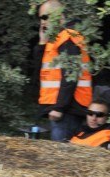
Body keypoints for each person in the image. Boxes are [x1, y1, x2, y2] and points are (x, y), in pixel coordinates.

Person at [34, 0, 92, 142]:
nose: (43, 22)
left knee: (61, 154)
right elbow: (39, 71)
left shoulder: (67, 37)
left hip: (68, 109)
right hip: (63, 108)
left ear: (59, 16)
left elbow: (70, 74)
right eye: (41, 18)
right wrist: (42, 42)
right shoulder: (56, 38)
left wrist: (60, 107)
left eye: (45, 17)